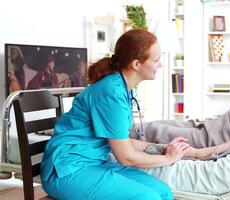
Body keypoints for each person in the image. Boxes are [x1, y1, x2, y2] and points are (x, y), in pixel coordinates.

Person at [41, 29, 190, 200]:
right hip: (68, 169)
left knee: (164, 193)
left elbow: (124, 143)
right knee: (149, 198)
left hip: (94, 163)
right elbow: (126, 157)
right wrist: (168, 159)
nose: (160, 65)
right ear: (136, 64)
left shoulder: (122, 88)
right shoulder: (111, 92)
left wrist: (166, 149)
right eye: (156, 60)